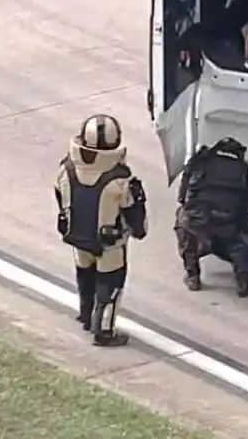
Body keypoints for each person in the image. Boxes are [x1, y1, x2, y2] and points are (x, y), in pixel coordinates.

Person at [54, 114, 148, 347]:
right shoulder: (121, 179)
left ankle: (86, 316)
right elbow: (135, 216)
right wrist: (138, 230)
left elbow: (60, 197)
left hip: (77, 237)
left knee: (85, 277)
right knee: (110, 286)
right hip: (109, 244)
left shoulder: (66, 168)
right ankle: (104, 331)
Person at [174, 137, 248, 297]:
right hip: (227, 222)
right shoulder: (242, 168)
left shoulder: (200, 161)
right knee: (236, 243)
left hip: (199, 221)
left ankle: (193, 276)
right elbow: (246, 201)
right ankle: (243, 278)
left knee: (184, 223)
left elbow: (182, 196)